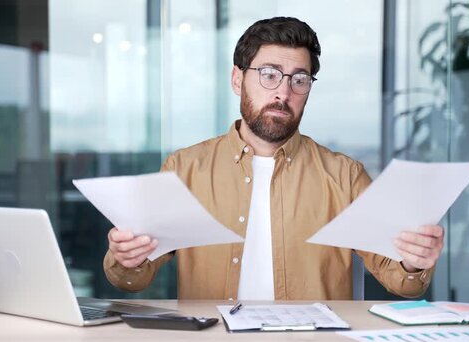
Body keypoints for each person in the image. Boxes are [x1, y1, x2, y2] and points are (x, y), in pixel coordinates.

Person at [103, 17, 444, 300]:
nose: (283, 93)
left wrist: (414, 262)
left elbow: (399, 278)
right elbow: (134, 277)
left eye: (299, 80)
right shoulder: (185, 169)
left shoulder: (345, 176)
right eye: (269, 75)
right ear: (238, 79)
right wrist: (127, 258)